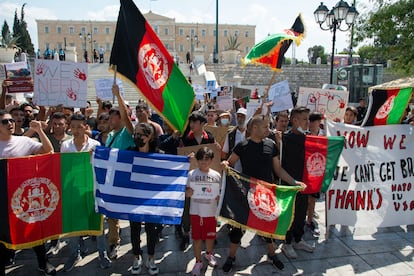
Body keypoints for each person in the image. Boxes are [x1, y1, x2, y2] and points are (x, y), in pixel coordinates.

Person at [221, 115, 306, 273]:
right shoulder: (242, 145)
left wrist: (294, 182)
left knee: (268, 226)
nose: (269, 129)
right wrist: (225, 164)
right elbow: (230, 163)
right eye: (265, 127)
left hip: (267, 194)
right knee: (238, 228)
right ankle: (231, 257)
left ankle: (272, 254)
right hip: (247, 193)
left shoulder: (271, 145)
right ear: (254, 128)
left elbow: (278, 169)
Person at [0, 110, 55, 276]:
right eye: (4, 122)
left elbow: (48, 151)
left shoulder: (24, 141)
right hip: (2, 198)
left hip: (24, 196)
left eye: (11, 120)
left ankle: (43, 264)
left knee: (32, 228)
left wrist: (39, 130)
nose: (10, 123)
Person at [281, 107, 316, 259]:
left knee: (301, 212)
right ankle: (286, 243)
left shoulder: (309, 138)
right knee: (290, 215)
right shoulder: (284, 138)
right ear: (295, 121)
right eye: (305, 119)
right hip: (289, 184)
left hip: (305, 184)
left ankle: (298, 239)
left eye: (308, 119)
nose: (308, 122)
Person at [179, 111, 216, 251]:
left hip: (206, 180)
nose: (191, 125)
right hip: (190, 179)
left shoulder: (210, 137)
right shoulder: (185, 138)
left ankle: (207, 235)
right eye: (191, 122)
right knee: (187, 208)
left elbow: (213, 155)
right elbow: (180, 155)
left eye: (194, 122)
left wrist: (216, 150)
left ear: (202, 124)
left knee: (206, 206)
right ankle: (186, 234)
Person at [105, 84, 135, 260]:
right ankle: (113, 242)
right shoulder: (109, 135)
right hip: (112, 178)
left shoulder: (128, 132)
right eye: (110, 118)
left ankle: (135, 241)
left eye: (115, 118)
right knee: (111, 212)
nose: (111, 120)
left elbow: (126, 117)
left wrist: (118, 95)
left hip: (126, 178)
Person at [129, 122, 161, 275]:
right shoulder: (128, 152)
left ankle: (151, 257)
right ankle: (136, 256)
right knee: (134, 228)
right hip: (134, 198)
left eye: (140, 134)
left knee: (151, 229)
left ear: (149, 137)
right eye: (135, 133)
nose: (137, 136)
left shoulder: (159, 155)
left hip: (151, 200)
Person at [186, 147, 221, 276]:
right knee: (196, 238)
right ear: (196, 160)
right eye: (200, 160)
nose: (203, 162)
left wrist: (218, 197)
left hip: (211, 212)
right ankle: (198, 261)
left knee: (210, 236)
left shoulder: (216, 175)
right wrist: (187, 192)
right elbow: (186, 191)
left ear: (211, 161)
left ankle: (209, 254)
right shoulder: (191, 174)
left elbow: (220, 194)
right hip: (196, 212)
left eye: (206, 160)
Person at [305, 112, 323, 237]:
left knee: (312, 199)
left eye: (314, 121)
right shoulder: (304, 135)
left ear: (319, 122)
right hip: (305, 171)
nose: (311, 124)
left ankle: (310, 221)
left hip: (316, 172)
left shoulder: (324, 136)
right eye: (310, 121)